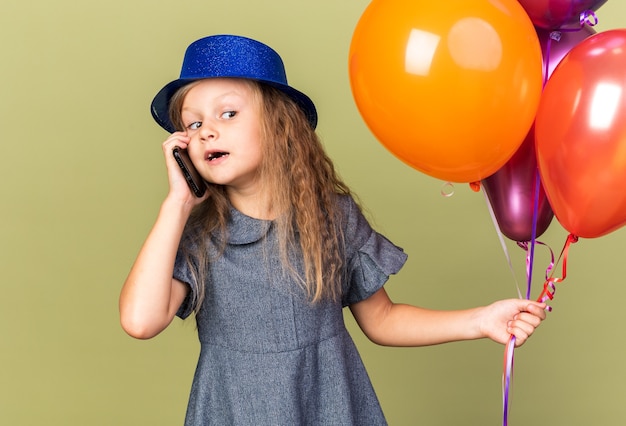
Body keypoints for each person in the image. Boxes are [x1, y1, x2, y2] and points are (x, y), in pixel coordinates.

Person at [119, 34, 547, 425]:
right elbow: (140, 321)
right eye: (193, 124)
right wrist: (177, 203)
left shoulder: (331, 216)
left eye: (227, 113)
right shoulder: (197, 236)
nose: (207, 130)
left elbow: (381, 320)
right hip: (234, 411)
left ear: (279, 124)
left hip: (331, 407)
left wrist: (481, 320)